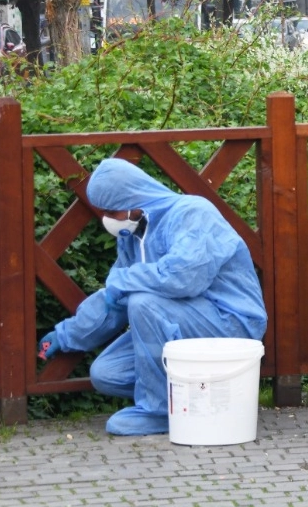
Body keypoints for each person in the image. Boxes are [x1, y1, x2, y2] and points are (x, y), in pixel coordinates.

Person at [38, 158, 268, 436]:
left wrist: (123, 281)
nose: (108, 218)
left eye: (113, 210)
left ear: (134, 199)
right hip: (182, 325)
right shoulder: (132, 236)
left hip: (230, 322)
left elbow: (184, 278)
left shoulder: (192, 213)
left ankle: (159, 411)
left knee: (143, 302)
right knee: (106, 373)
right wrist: (65, 335)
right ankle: (192, 399)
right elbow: (113, 299)